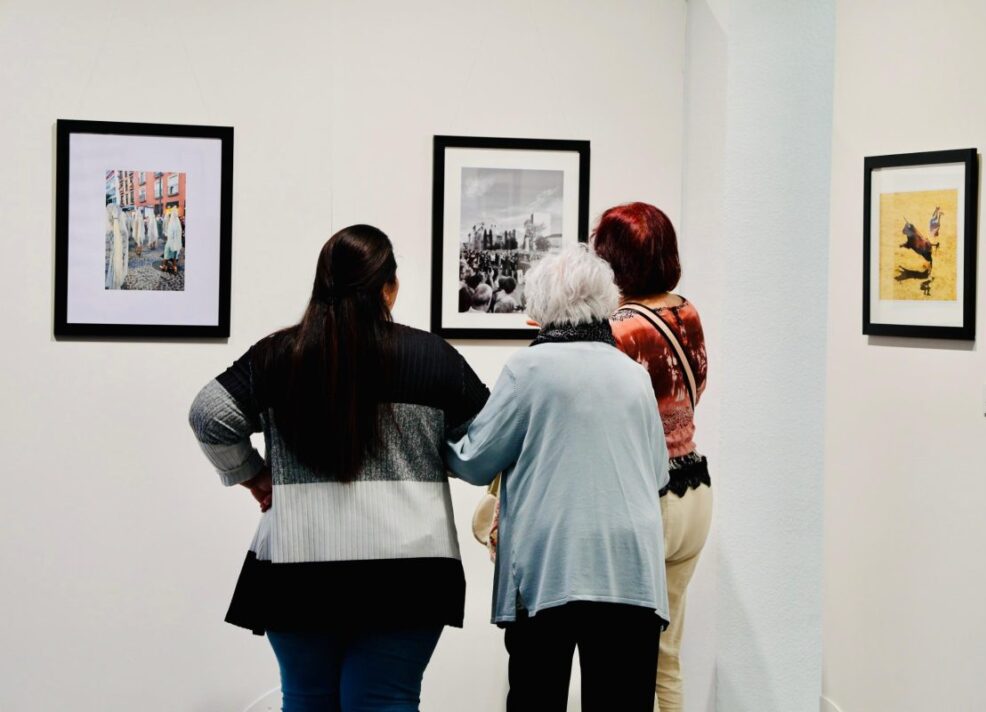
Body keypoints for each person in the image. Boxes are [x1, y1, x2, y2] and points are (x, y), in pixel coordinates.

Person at [188, 225, 489, 712]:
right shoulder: (434, 358)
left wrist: (252, 474)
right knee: (386, 702)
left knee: (307, 702)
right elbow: (486, 439)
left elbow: (209, 414)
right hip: (410, 572)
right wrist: (439, 456)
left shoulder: (278, 356)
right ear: (388, 288)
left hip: (299, 565)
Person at [447, 244, 670, 712]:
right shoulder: (634, 375)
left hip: (550, 563)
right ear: (605, 299)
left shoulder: (528, 370)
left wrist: (435, 437)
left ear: (542, 303)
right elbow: (656, 473)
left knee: (537, 697)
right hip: (629, 566)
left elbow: (475, 460)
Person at [592, 202, 712, 712]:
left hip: (646, 501)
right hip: (694, 491)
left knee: (622, 665)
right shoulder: (688, 312)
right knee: (666, 658)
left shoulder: (616, 330)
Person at [105, 203, 128, 290]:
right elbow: (124, 253)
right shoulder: (123, 232)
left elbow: (106, 256)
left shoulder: (107, 233)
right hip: (118, 267)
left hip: (108, 269)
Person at [162, 209, 183, 274]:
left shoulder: (171, 223)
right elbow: (180, 233)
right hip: (176, 243)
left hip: (170, 242)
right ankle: (175, 267)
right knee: (174, 256)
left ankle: (164, 266)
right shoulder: (178, 223)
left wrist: (167, 236)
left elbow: (170, 234)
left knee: (166, 254)